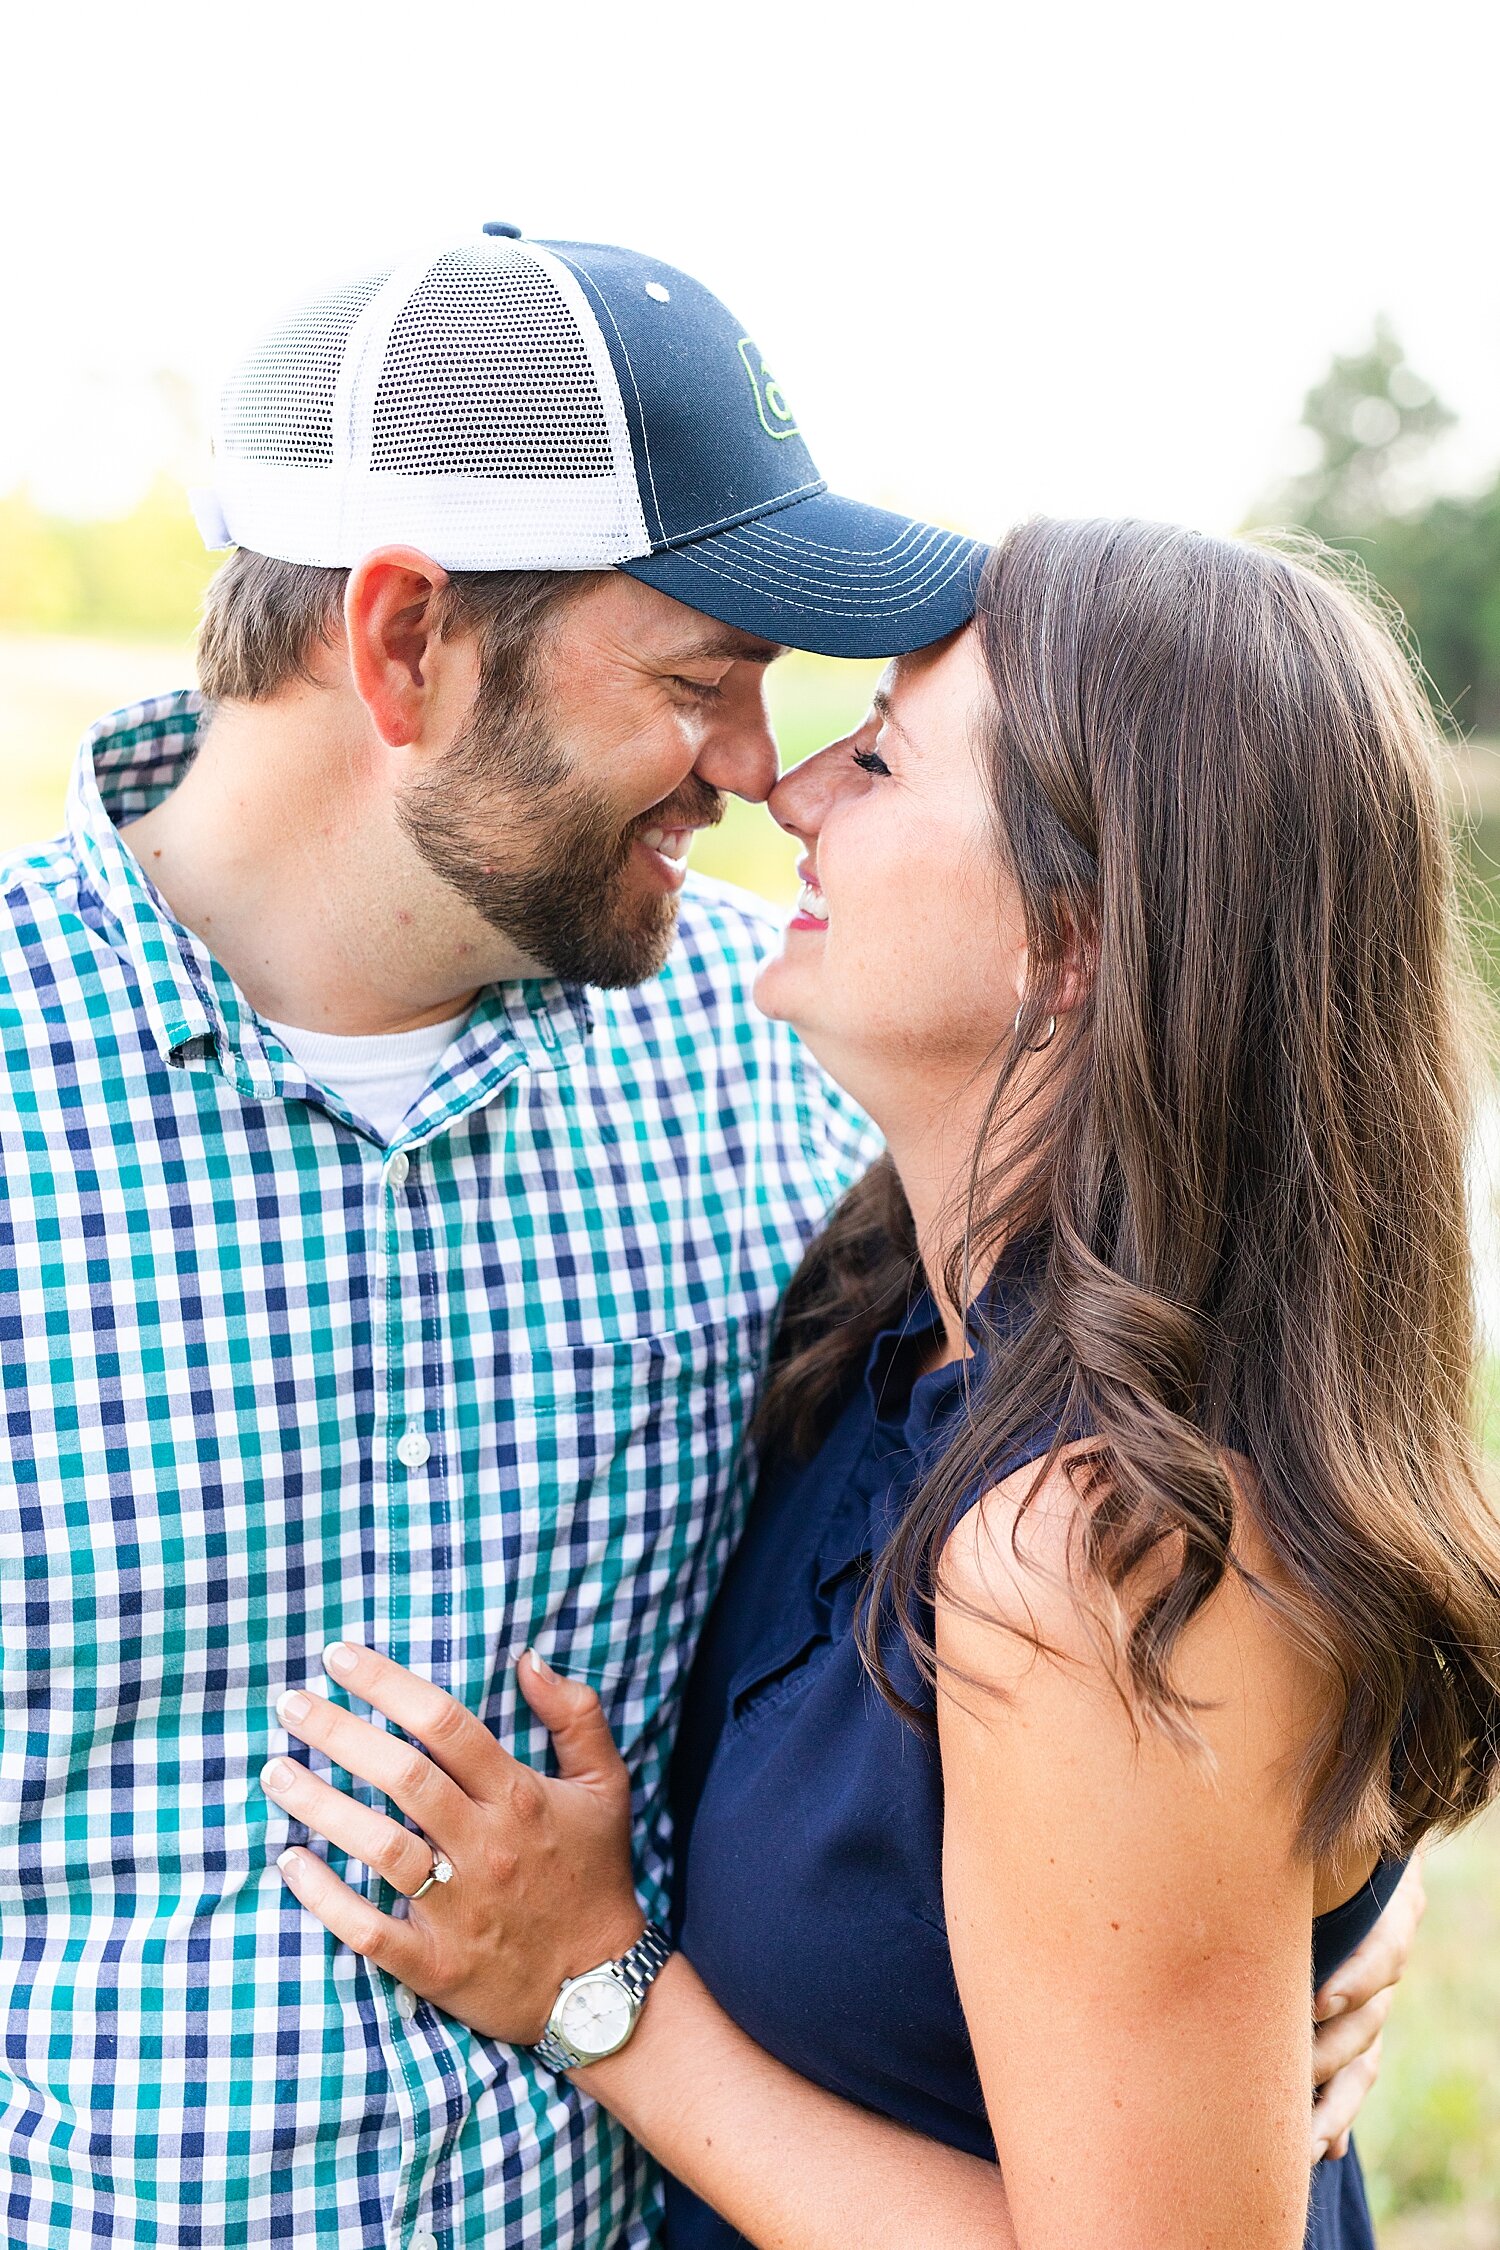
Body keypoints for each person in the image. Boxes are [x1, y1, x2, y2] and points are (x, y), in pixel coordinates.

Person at [265, 519, 1493, 2248]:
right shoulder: (893, 1311)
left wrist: (594, 1988)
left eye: (890, 751)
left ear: (1074, 942)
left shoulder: (1085, 1561)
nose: (799, 788)